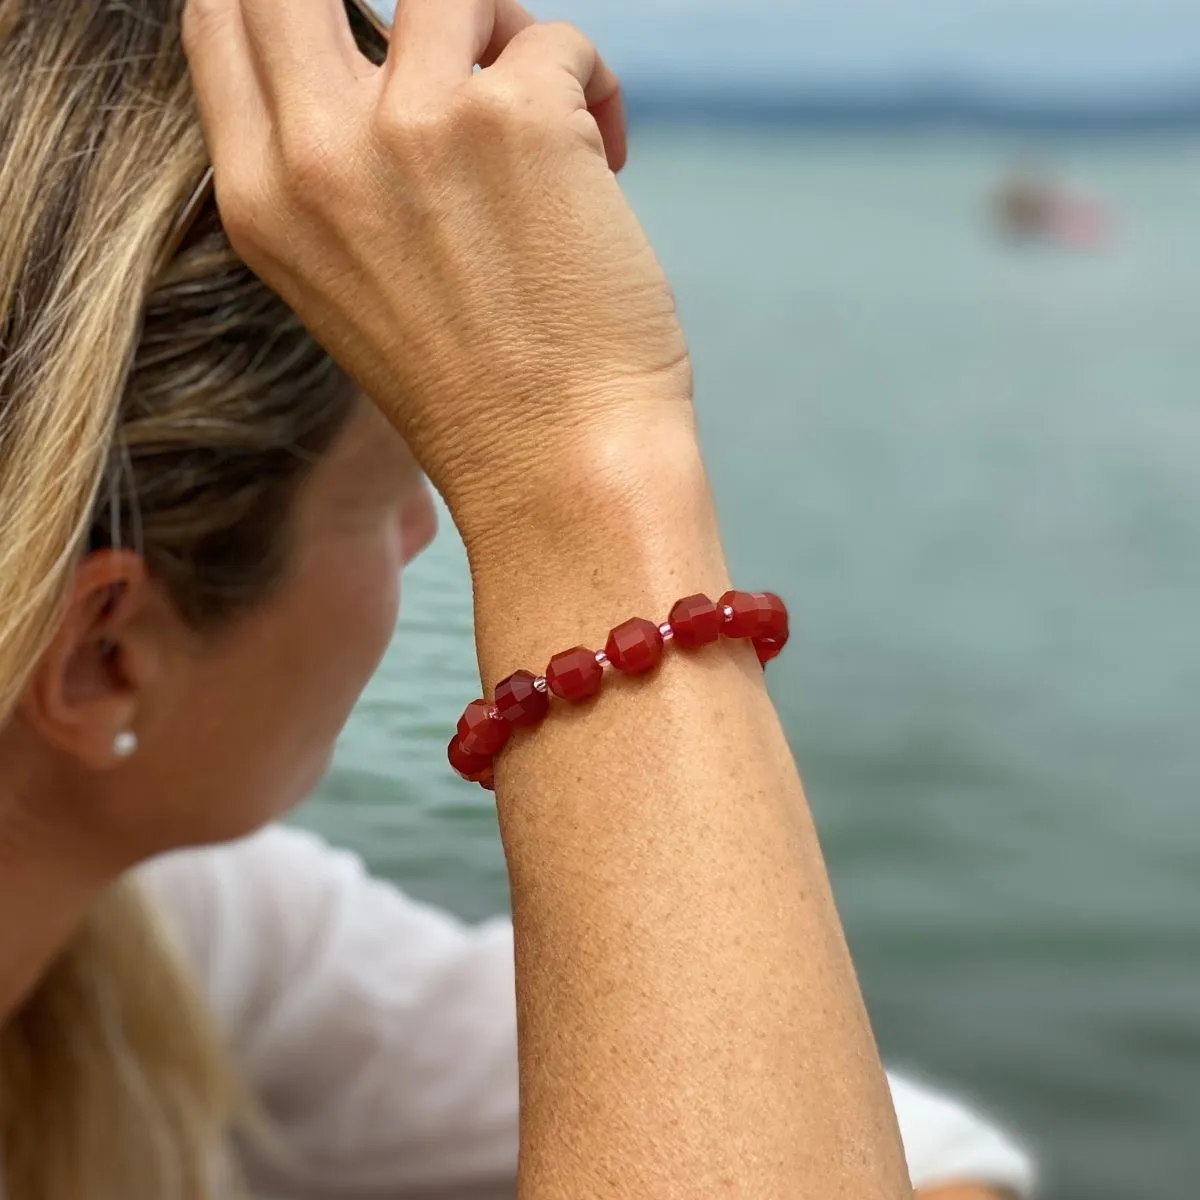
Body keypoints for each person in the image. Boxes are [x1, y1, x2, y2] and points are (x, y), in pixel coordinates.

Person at [0, 0, 1029, 1196]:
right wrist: (582, 477)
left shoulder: (175, 936)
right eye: (389, 496)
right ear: (105, 658)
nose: (421, 533)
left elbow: (925, 1160)